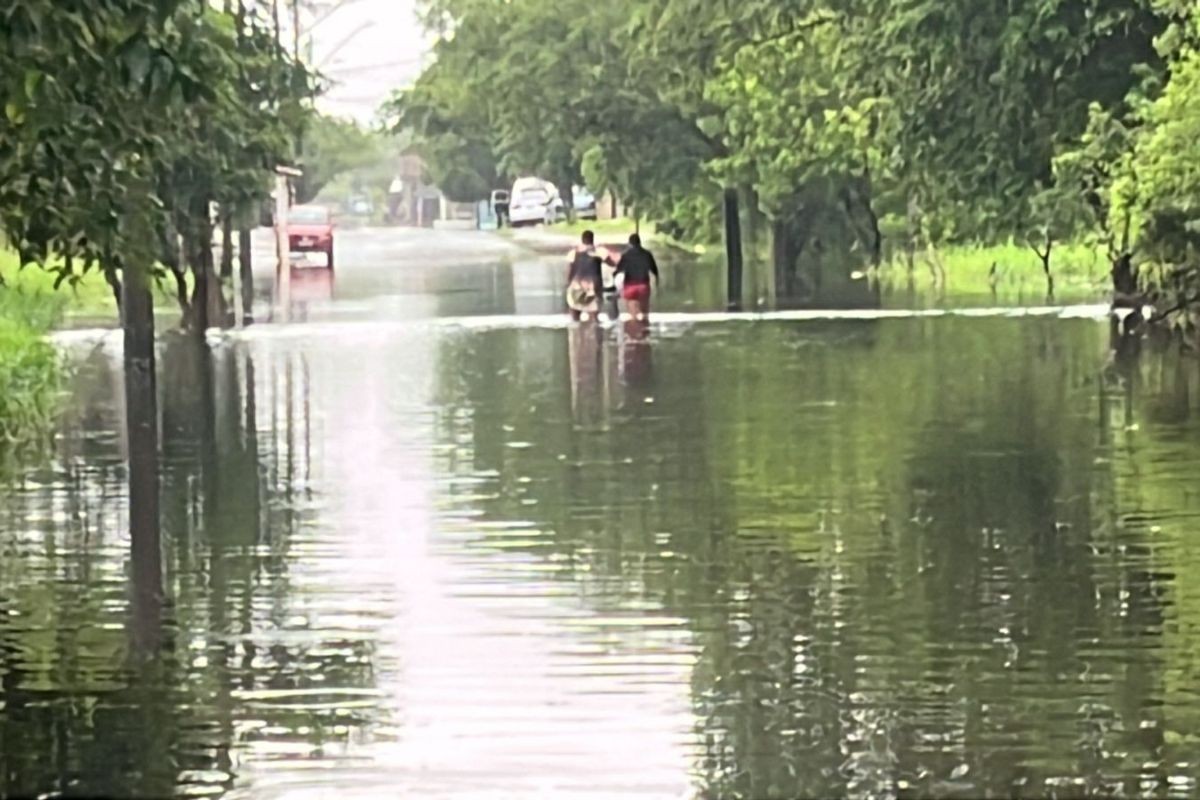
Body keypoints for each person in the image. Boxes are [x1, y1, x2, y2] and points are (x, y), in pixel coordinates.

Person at [614, 233, 659, 321]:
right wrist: (657, 281)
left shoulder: (626, 255)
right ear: (640, 242)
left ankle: (633, 332)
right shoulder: (647, 254)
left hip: (630, 286)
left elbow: (618, 270)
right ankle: (644, 332)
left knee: (632, 316)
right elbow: (654, 270)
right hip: (643, 286)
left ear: (630, 244)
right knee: (645, 315)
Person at [565, 230, 604, 321]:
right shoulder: (598, 252)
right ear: (592, 239)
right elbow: (611, 262)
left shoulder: (573, 253)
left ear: (582, 239)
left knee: (574, 315)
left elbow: (569, 271)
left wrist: (567, 284)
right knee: (594, 318)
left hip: (577, 286)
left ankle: (576, 332)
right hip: (593, 287)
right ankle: (595, 333)